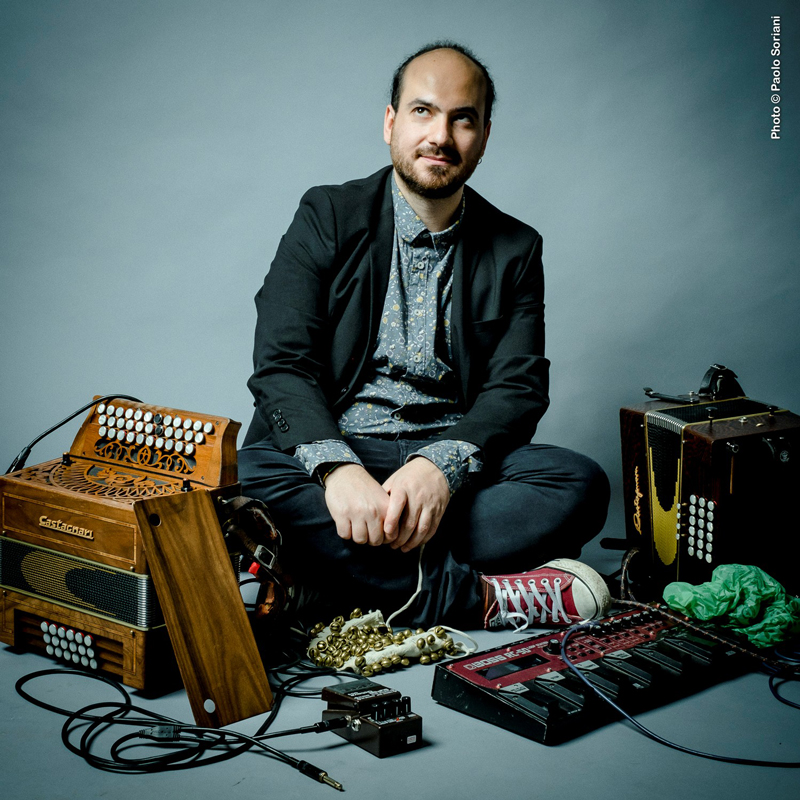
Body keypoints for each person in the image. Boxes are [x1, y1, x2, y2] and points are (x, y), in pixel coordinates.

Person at [238, 41, 611, 631]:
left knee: (579, 483)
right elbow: (281, 365)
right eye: (422, 111)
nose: (440, 134)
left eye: (462, 118)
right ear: (390, 122)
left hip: (448, 466)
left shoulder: (516, 248)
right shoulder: (327, 214)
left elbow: (517, 388)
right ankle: (476, 600)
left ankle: (341, 576)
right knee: (250, 475)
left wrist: (439, 469)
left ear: (484, 135)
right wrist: (338, 471)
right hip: (341, 448)